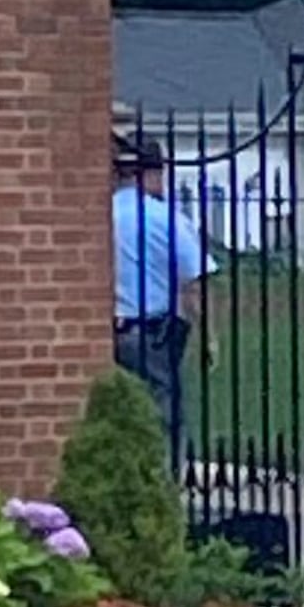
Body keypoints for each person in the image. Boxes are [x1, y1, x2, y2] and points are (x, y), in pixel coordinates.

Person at [111, 124, 204, 462]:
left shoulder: (98, 216)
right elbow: (193, 281)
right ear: (151, 172)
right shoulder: (165, 218)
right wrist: (208, 336)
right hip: (153, 335)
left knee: (117, 416)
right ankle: (163, 493)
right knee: (164, 415)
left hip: (107, 333)